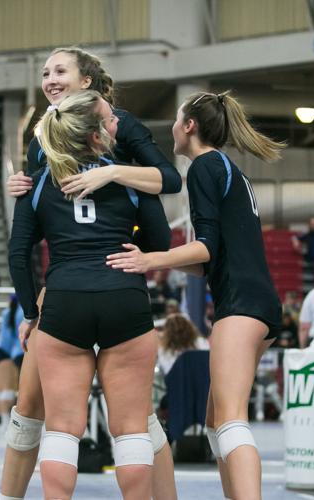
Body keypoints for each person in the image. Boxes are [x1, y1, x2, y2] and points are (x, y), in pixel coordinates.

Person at [1, 47, 181, 500]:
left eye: (59, 71)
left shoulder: (48, 175)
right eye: (45, 72)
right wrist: (133, 252)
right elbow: (158, 242)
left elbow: (19, 250)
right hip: (122, 293)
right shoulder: (119, 178)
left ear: (88, 83)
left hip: (62, 299)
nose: (49, 79)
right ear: (99, 134)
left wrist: (30, 311)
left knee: (59, 427)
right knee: (131, 428)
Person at [107, 90, 285, 500]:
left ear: (189, 126)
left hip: (239, 307)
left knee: (231, 421)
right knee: (215, 422)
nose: (170, 127)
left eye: (175, 119)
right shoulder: (227, 169)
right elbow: (209, 259)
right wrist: (159, 260)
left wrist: (151, 258)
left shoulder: (205, 166)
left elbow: (204, 246)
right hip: (257, 304)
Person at [0, 295, 24, 428]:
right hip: (13, 350)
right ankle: (6, 421)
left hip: (1, 349)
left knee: (0, 389)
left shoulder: (7, 312)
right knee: (9, 388)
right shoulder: (21, 312)